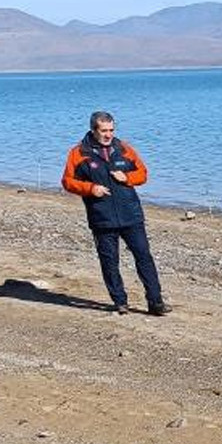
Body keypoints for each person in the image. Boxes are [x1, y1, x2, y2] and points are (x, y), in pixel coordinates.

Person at [61, 111, 170, 316]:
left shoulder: (124, 149)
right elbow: (67, 181)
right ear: (93, 130)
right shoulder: (78, 153)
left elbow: (143, 174)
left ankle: (156, 302)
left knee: (144, 257)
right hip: (101, 217)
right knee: (109, 261)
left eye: (111, 130)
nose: (108, 135)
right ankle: (120, 302)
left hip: (131, 214)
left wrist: (127, 177)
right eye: (104, 131)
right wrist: (90, 188)